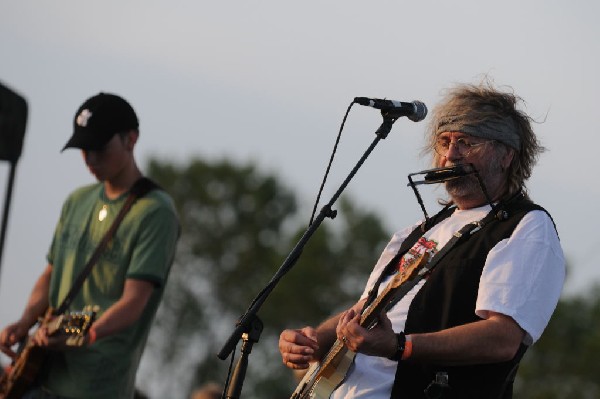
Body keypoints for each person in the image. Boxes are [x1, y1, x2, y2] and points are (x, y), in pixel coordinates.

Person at [279, 81, 565, 398]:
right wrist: (314, 342)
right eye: (444, 142)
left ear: (506, 156)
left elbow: (502, 338)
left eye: (466, 143)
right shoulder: (415, 232)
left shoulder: (525, 227)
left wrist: (400, 346)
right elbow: (367, 308)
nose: (450, 155)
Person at [0, 93, 180, 399]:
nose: (89, 158)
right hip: (41, 373)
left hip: (95, 386)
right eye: (83, 148)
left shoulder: (155, 211)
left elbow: (133, 302)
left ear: (131, 139)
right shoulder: (77, 200)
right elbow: (51, 273)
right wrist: (25, 321)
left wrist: (86, 334)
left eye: (99, 148)